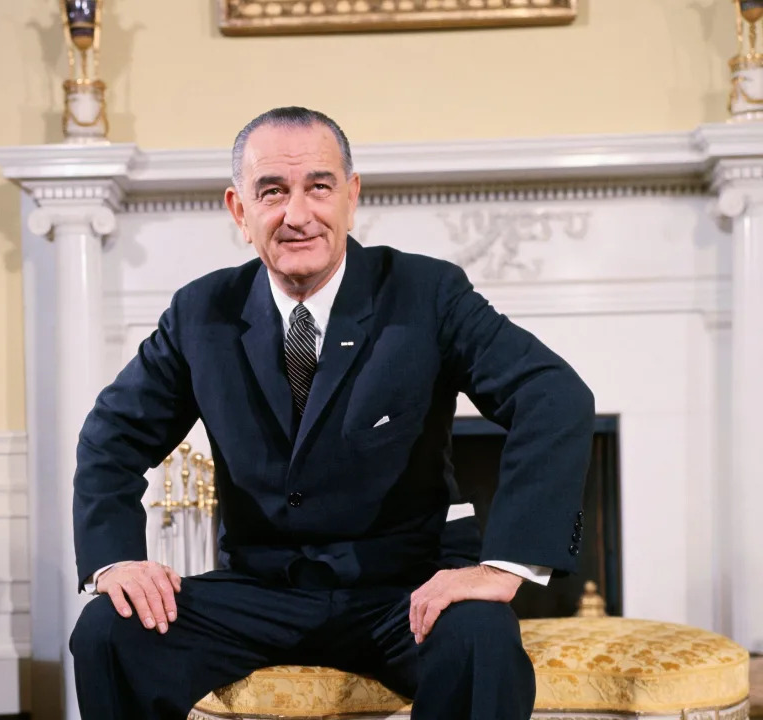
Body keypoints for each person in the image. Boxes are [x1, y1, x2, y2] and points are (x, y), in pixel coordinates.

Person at [70, 106, 595, 720]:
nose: (298, 215)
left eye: (319, 187)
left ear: (351, 197)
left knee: (482, 640)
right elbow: (112, 436)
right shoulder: (200, 313)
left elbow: (553, 394)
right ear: (240, 212)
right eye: (272, 192)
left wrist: (503, 567)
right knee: (109, 632)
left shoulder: (427, 294)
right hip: (258, 592)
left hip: (406, 587)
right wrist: (116, 560)